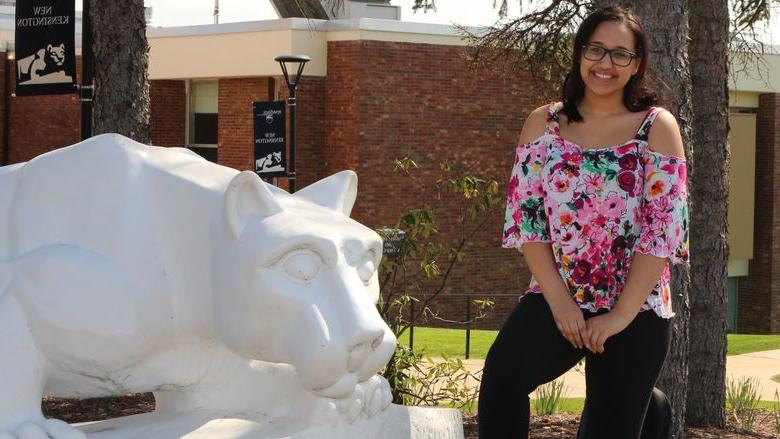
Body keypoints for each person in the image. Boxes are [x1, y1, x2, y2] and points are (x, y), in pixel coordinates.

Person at [478, 6, 689, 439]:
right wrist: (559, 302)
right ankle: (646, 404)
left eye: (619, 54)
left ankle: (647, 407)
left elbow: (663, 230)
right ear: (579, 54)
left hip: (635, 305)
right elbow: (528, 219)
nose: (605, 64)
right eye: (596, 49)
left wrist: (619, 316)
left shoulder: (655, 127)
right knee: (502, 377)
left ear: (636, 65)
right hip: (558, 293)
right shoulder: (544, 122)